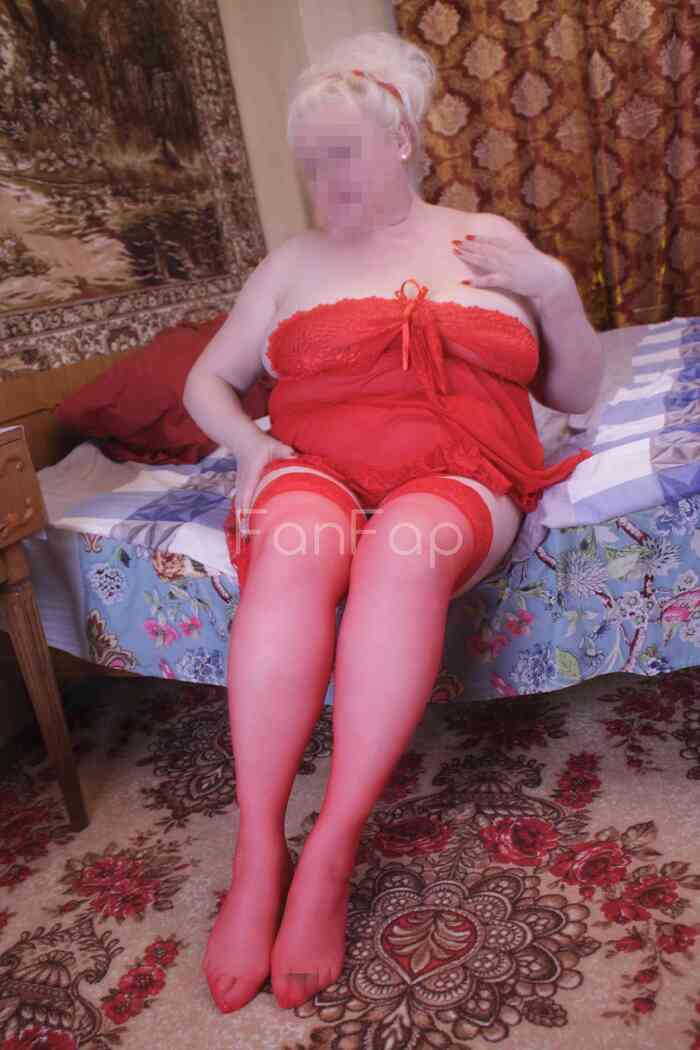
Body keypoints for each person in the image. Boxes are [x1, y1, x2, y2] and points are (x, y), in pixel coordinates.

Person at [182, 31, 603, 1015]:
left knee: (403, 545)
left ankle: (330, 850)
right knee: (295, 542)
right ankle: (257, 852)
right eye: (312, 161)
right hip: (315, 463)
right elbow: (207, 380)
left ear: (404, 141)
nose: (326, 179)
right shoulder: (288, 264)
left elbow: (576, 391)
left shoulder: (484, 237)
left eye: (345, 153)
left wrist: (550, 286)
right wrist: (247, 449)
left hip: (462, 470)